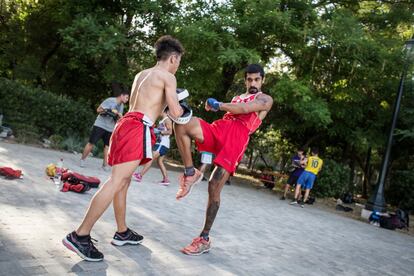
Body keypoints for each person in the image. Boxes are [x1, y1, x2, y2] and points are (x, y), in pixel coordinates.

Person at [62, 35, 185, 262]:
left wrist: (169, 105)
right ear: (173, 58)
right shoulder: (168, 77)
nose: (178, 66)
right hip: (137, 128)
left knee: (123, 181)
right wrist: (182, 106)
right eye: (178, 62)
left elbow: (153, 107)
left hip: (127, 124)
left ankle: (122, 231)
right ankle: (80, 235)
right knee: (117, 180)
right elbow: (177, 114)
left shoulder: (142, 74)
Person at [173, 64, 273, 255]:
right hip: (220, 128)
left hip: (236, 139)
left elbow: (244, 108)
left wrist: (218, 104)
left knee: (213, 187)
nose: (253, 83)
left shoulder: (265, 99)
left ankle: (204, 238)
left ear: (262, 80)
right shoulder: (236, 97)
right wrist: (215, 107)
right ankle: (189, 172)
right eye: (249, 79)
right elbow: (237, 105)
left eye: (257, 79)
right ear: (245, 80)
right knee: (183, 124)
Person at [80, 90, 129, 171]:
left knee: (107, 147)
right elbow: (98, 110)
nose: (127, 100)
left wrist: (120, 116)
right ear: (122, 96)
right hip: (100, 125)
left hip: (110, 128)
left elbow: (117, 120)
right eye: (126, 97)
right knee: (91, 143)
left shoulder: (122, 106)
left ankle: (104, 165)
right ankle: (82, 160)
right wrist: (108, 110)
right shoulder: (110, 100)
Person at [133, 113, 173, 185]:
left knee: (150, 158)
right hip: (162, 144)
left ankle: (140, 175)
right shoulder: (162, 120)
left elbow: (170, 132)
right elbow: (160, 131)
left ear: (164, 111)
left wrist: (160, 132)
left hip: (162, 144)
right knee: (159, 162)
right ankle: (166, 180)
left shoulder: (167, 120)